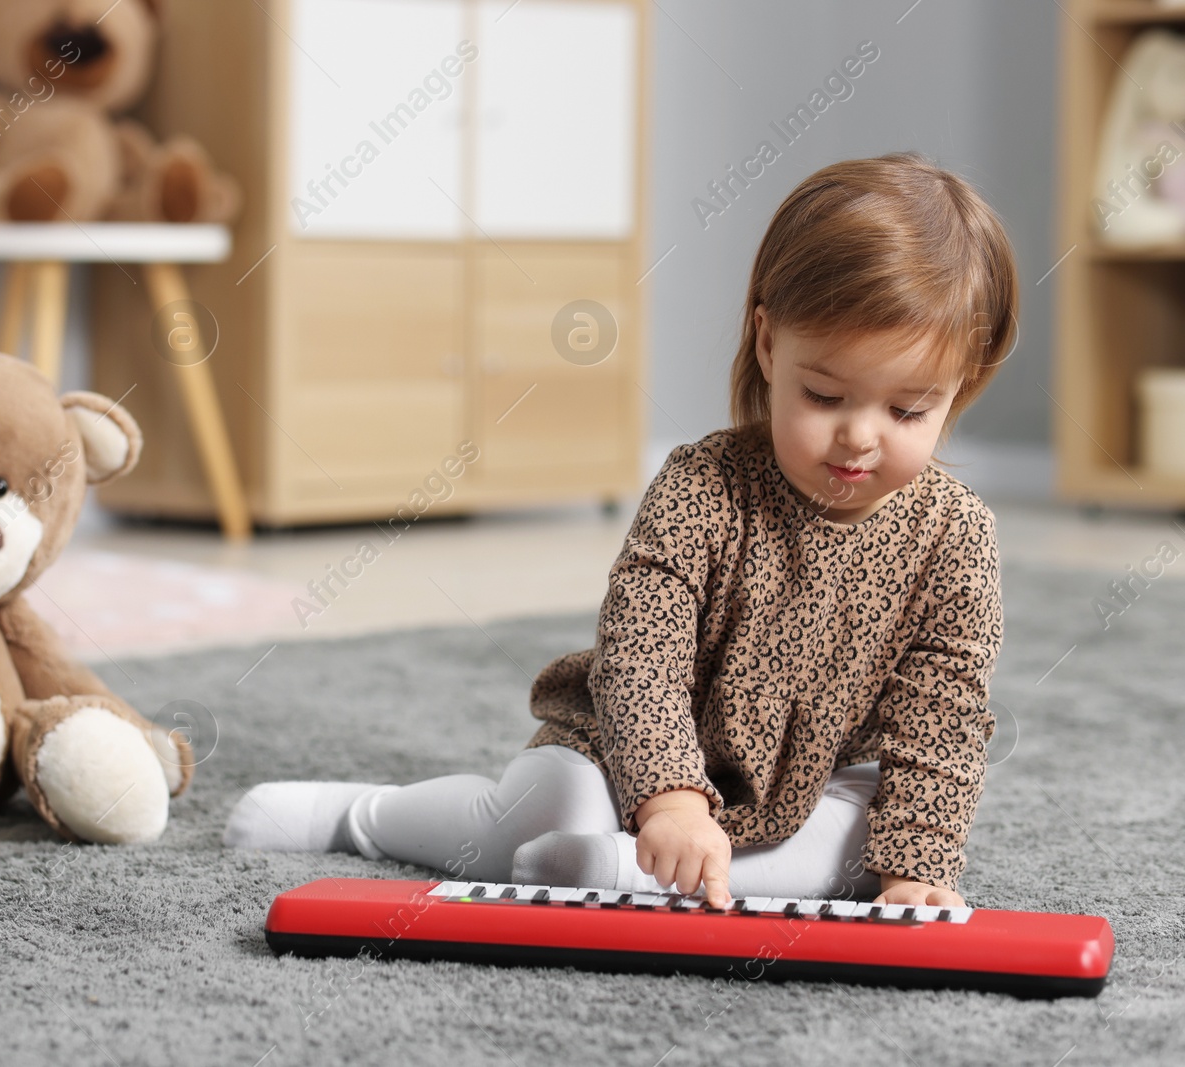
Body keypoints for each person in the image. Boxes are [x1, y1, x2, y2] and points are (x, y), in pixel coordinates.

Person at [223, 152, 1017, 909]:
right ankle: (364, 816)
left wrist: (916, 866)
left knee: (862, 841)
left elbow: (942, 715)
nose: (859, 437)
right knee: (545, 811)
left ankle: (616, 872)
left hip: (806, 785)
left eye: (908, 410)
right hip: (620, 756)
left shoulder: (956, 538)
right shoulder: (701, 486)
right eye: (825, 395)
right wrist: (669, 796)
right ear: (770, 345)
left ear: (961, 389)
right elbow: (642, 653)